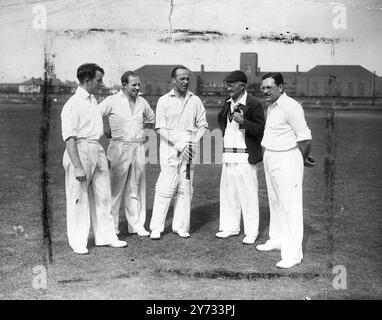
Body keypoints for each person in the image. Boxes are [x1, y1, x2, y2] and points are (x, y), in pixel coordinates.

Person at [61, 63, 127, 254]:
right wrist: (78, 166)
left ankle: (106, 237)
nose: (101, 83)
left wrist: (101, 155)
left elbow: (94, 132)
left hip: (96, 151)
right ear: (87, 80)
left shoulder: (93, 101)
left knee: (104, 196)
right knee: (78, 198)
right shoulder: (72, 105)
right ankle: (78, 241)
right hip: (79, 152)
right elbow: (69, 138)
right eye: (99, 80)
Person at [256, 72, 313, 269]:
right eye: (262, 88)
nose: (264, 91)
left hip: (287, 158)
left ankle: (293, 254)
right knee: (275, 201)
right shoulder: (271, 106)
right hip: (271, 156)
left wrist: (300, 159)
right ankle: (277, 240)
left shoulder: (291, 106)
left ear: (280, 87)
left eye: (268, 88)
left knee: (291, 206)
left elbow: (305, 138)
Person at [149, 66, 208, 240]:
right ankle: (156, 227)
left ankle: (180, 226)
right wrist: (178, 144)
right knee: (165, 187)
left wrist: (193, 142)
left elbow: (203, 125)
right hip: (170, 147)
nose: (186, 81)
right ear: (173, 80)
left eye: (187, 79)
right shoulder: (164, 100)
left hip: (190, 147)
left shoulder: (195, 100)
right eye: (182, 79)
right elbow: (159, 127)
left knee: (185, 188)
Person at [99, 71, 155, 237]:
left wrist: (144, 136)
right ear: (124, 85)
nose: (137, 88)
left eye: (139, 85)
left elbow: (151, 118)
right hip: (118, 147)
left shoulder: (142, 102)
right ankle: (112, 228)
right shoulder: (111, 101)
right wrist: (105, 132)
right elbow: (93, 116)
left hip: (137, 148)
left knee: (136, 188)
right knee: (114, 190)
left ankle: (136, 225)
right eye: (134, 85)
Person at [216, 70, 265, 244]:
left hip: (245, 156)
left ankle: (251, 232)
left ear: (242, 85)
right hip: (229, 154)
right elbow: (222, 121)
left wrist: (244, 122)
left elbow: (260, 130)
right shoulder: (227, 102)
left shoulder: (254, 104)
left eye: (231, 84)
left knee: (248, 194)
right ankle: (230, 227)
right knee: (229, 192)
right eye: (227, 83)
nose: (227, 87)